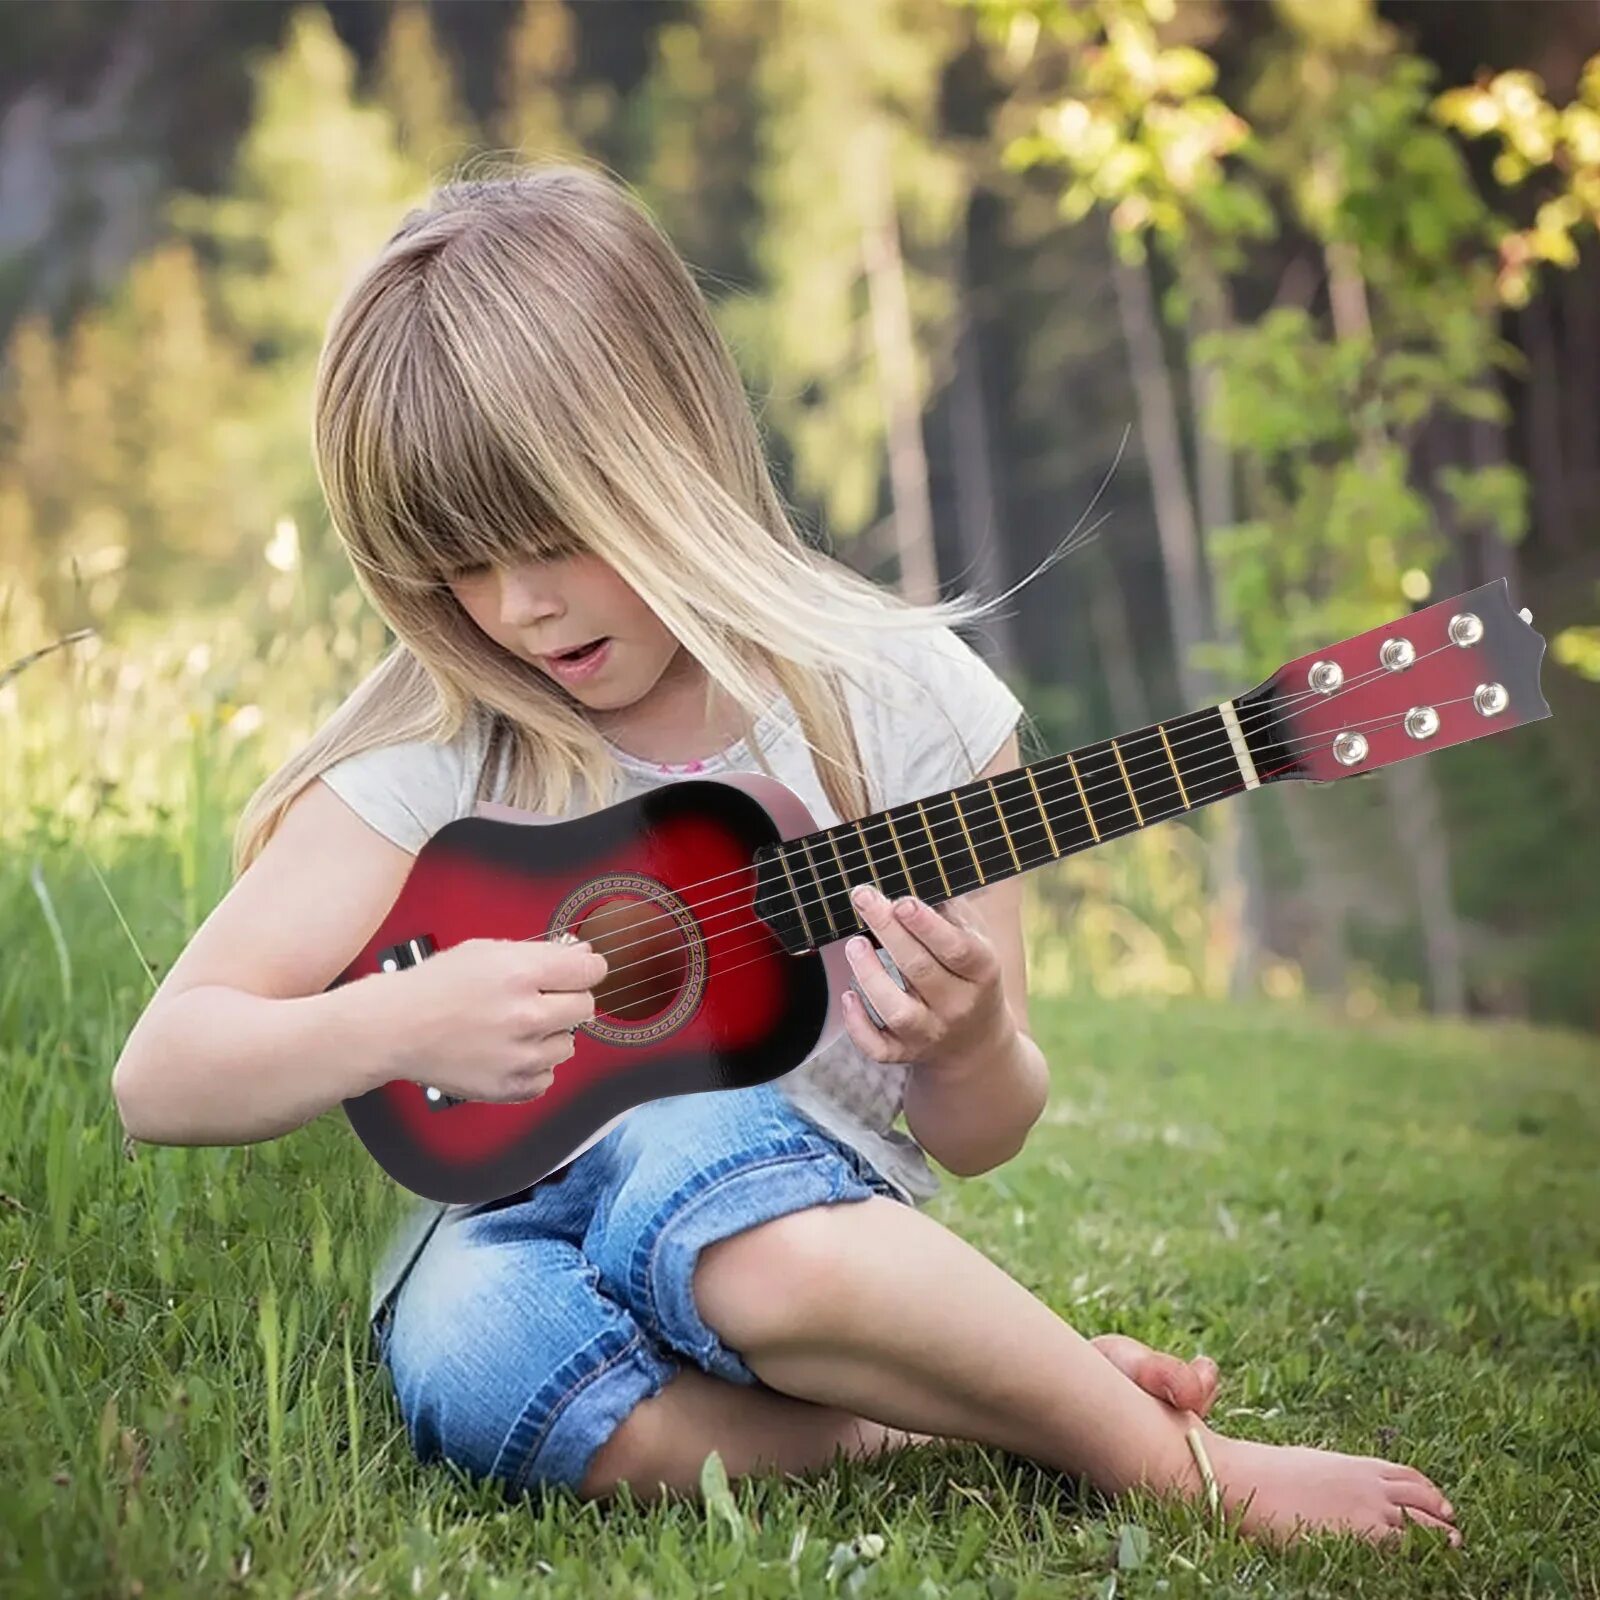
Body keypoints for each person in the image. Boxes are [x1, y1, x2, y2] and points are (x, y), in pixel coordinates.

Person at [111, 162, 1459, 1548]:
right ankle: (955, 1404)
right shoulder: (444, 747)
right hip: (511, 1226)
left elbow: (981, 1135)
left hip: (788, 1229)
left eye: (556, 536)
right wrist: (402, 1016)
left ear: (670, 447)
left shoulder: (900, 701)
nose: (517, 606)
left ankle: (1180, 1466)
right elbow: (164, 1073)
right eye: (461, 565)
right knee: (470, 1362)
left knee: (695, 1150)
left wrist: (967, 1043)